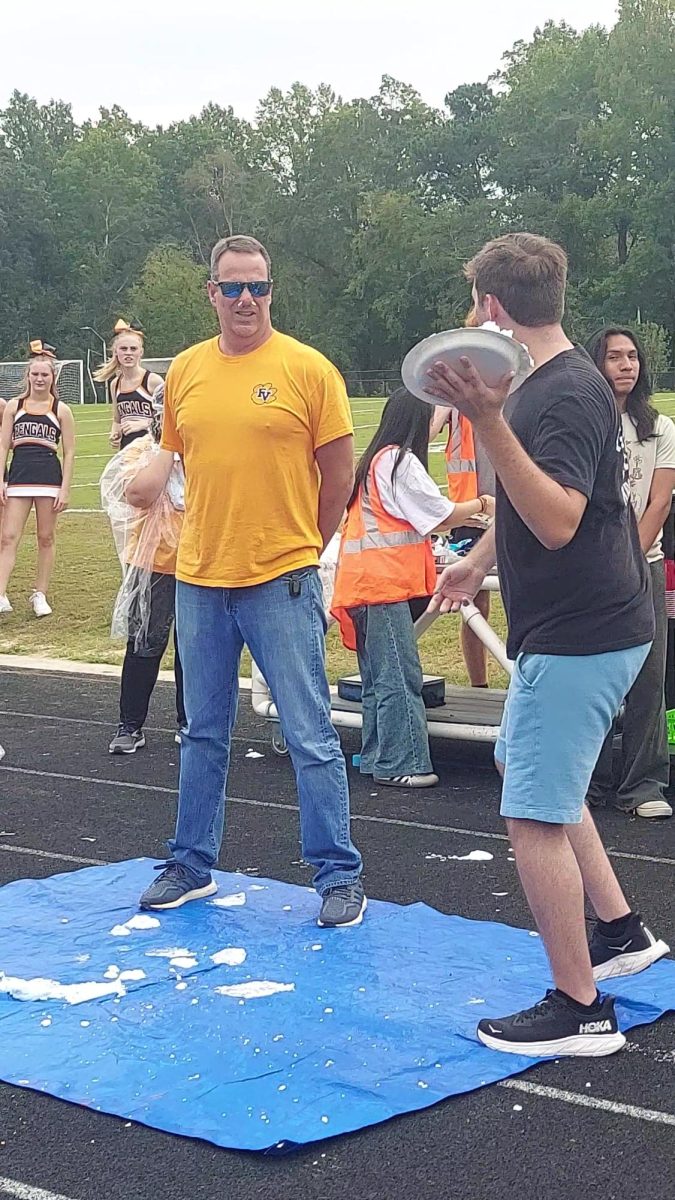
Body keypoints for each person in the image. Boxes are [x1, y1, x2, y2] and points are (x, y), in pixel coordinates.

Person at [428, 233, 668, 1058]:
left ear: (490, 309)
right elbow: (557, 505)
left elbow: (560, 518)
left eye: (472, 303)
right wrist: (475, 565)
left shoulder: (560, 392)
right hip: (588, 622)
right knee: (532, 774)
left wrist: (487, 421)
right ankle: (620, 931)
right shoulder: (553, 383)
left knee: (529, 806)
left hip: (583, 629)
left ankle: (580, 1008)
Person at [139, 233, 365, 928]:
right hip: (202, 577)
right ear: (210, 292)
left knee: (309, 732)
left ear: (272, 290)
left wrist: (306, 547)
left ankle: (338, 874)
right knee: (202, 732)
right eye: (232, 287)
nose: (245, 300)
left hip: (281, 580)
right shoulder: (184, 371)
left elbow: (339, 474)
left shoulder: (308, 369)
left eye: (257, 287)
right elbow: (175, 459)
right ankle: (190, 862)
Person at [331, 386, 494, 788]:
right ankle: (403, 761)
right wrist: (482, 505)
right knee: (399, 677)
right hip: (382, 585)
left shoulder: (376, 462)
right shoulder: (399, 461)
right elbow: (437, 512)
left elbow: (421, 518)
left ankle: (377, 755)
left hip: (365, 585)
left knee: (377, 681)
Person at [586, 327, 675, 821]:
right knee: (592, 678)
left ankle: (643, 784)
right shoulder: (586, 422)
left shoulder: (660, 428)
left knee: (648, 678)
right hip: (591, 571)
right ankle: (589, 780)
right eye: (614, 356)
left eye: (633, 356)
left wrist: (632, 562)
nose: (626, 364)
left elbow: (659, 501)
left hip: (644, 565)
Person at [100, 384, 186, 755]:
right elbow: (139, 494)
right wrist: (169, 449)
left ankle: (190, 722)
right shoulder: (141, 451)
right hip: (152, 563)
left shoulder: (207, 455)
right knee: (144, 644)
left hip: (201, 563)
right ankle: (130, 724)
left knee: (195, 649)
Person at [430, 307, 496, 688]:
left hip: (511, 507)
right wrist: (441, 404)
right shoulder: (455, 395)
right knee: (475, 603)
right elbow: (425, 434)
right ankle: (480, 687)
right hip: (472, 513)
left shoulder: (513, 383)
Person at [0, 347, 75, 617]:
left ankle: (40, 593)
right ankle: (1, 593)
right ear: (28, 376)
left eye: (45, 374)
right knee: (8, 537)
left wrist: (65, 488)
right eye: (35, 374)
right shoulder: (14, 406)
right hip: (19, 478)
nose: (40, 379)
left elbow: (69, 452)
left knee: (45, 537)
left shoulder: (61, 410)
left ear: (52, 378)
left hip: (48, 479)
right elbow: (3, 446)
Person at [94, 320, 163, 450]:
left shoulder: (152, 381)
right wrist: (115, 433)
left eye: (133, 349)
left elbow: (170, 417)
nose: (128, 353)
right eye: (123, 349)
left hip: (152, 448)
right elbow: (117, 420)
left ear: (140, 352)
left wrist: (145, 424)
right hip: (127, 450)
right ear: (116, 352)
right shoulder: (115, 384)